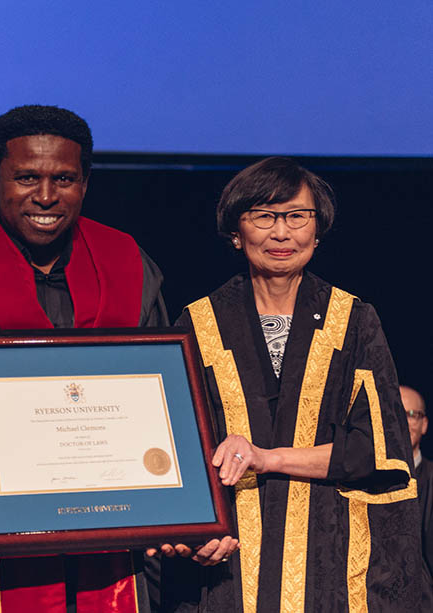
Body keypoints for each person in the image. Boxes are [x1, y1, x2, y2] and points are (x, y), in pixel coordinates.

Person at [0, 105, 237, 613]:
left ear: (85, 182)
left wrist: (187, 507)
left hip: (119, 548)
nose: (47, 196)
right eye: (27, 178)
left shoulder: (128, 264)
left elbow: (167, 401)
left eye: (64, 179)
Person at [160, 157, 431, 611]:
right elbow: (176, 448)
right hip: (231, 559)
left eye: (296, 216)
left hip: (332, 559)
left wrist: (268, 458)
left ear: (317, 231)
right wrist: (196, 533)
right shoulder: (201, 322)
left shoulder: (354, 321)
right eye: (263, 216)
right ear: (235, 231)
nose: (281, 233)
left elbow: (378, 449)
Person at [401, 385, 433, 583]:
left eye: (411, 414)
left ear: (424, 424)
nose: (403, 422)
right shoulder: (358, 481)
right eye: (394, 413)